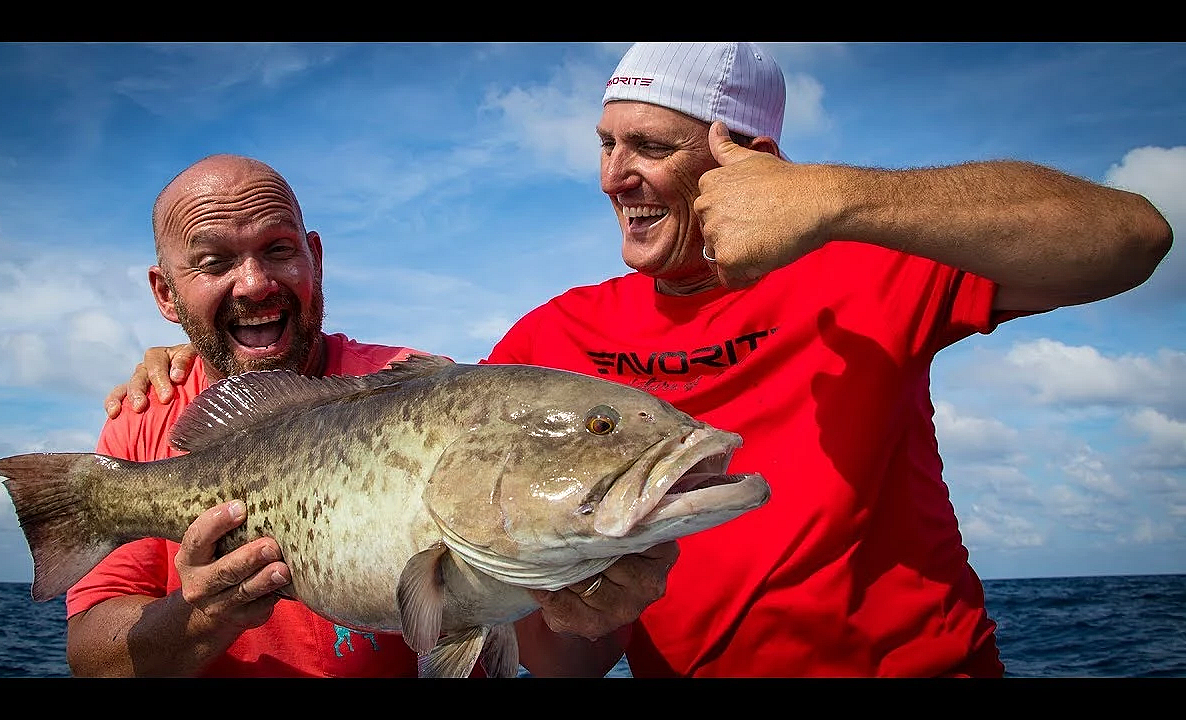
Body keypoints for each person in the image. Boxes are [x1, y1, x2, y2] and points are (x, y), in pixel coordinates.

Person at [107, 43, 1173, 677]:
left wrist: (846, 198)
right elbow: (556, 650)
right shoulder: (542, 347)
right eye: (604, 145)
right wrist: (582, 624)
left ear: (746, 155)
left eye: (649, 147)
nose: (614, 176)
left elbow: (1129, 236)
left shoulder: (870, 262)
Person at [70, 153, 669, 677]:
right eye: (213, 262)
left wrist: (591, 605)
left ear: (316, 259)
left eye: (278, 250)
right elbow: (93, 659)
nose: (254, 284)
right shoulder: (143, 418)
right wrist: (198, 617)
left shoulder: (424, 393)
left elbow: (562, 663)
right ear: (165, 294)